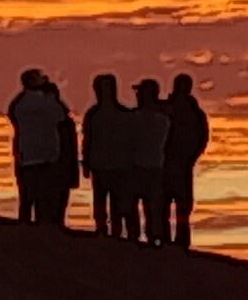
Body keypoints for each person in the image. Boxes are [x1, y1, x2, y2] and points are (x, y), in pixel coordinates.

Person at [6, 68, 70, 224]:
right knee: (43, 199)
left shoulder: (20, 103)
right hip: (45, 157)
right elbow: (61, 114)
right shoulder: (46, 100)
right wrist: (53, 96)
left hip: (27, 156)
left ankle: (26, 227)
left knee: (27, 198)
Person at [82, 74, 135, 239]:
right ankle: (102, 228)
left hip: (119, 165)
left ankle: (116, 230)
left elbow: (131, 140)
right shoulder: (93, 114)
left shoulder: (124, 114)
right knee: (100, 199)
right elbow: (88, 139)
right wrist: (86, 162)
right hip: (100, 164)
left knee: (116, 201)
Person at [164, 73, 210, 249]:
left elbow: (202, 137)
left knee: (183, 206)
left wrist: (192, 157)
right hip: (166, 164)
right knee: (165, 204)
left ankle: (182, 240)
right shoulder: (167, 109)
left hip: (184, 165)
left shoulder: (195, 113)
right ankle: (167, 239)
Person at [129, 78, 174, 247]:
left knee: (140, 204)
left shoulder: (135, 119)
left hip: (139, 165)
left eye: (140, 92)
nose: (138, 95)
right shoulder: (163, 119)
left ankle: (137, 236)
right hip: (156, 165)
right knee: (152, 206)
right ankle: (153, 236)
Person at [49, 82, 80, 227]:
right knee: (57, 201)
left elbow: (71, 147)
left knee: (56, 201)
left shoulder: (61, 118)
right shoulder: (63, 118)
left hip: (59, 165)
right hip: (60, 166)